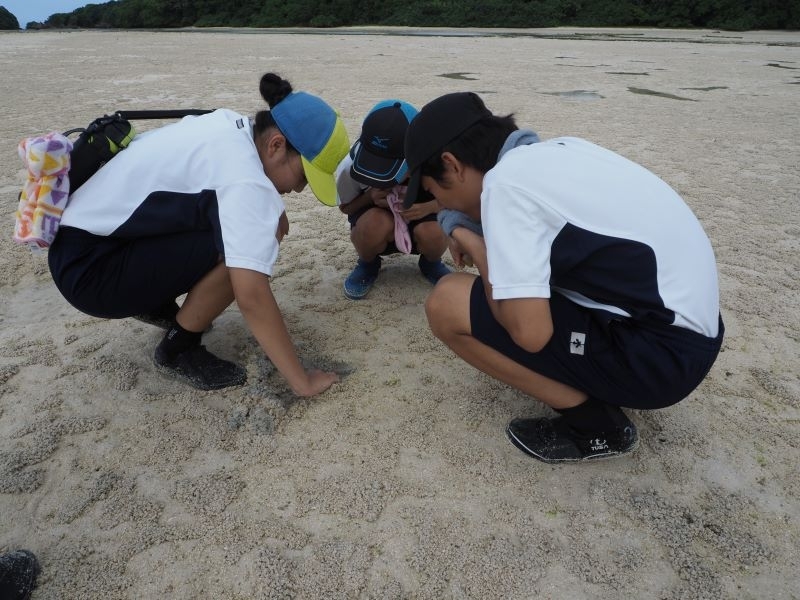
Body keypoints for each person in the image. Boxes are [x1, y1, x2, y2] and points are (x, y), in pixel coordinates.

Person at [404, 92, 724, 463]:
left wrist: (473, 244)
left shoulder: (504, 186)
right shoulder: (558, 151)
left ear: (453, 164)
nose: (442, 205)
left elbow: (530, 334)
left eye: (436, 192)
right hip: (693, 333)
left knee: (448, 302)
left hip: (662, 360)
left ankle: (595, 425)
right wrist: (463, 224)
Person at [47, 73, 350, 396]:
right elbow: (252, 297)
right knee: (253, 242)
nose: (300, 189)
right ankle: (179, 348)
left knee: (248, 225)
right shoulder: (246, 182)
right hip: (93, 275)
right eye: (304, 176)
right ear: (276, 145)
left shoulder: (229, 124)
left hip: (80, 244)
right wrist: (302, 382)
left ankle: (154, 301)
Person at [335, 99, 451, 299]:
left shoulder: (437, 161)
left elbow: (457, 202)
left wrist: (430, 206)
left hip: (423, 219)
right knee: (374, 224)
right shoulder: (349, 165)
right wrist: (369, 196)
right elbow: (345, 207)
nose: (381, 177)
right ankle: (368, 263)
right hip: (376, 218)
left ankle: (431, 263)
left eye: (389, 169)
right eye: (374, 166)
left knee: (434, 231)